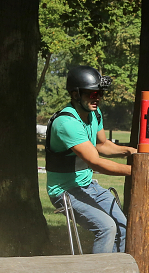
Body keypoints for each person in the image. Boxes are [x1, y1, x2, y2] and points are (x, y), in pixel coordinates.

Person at [46, 65, 135, 253]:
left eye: (99, 93)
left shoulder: (94, 114)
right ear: (75, 94)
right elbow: (95, 162)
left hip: (88, 185)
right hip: (65, 191)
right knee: (106, 228)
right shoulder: (66, 123)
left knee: (122, 225)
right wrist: (136, 172)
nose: (97, 98)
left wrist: (131, 152)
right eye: (91, 94)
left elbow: (102, 145)